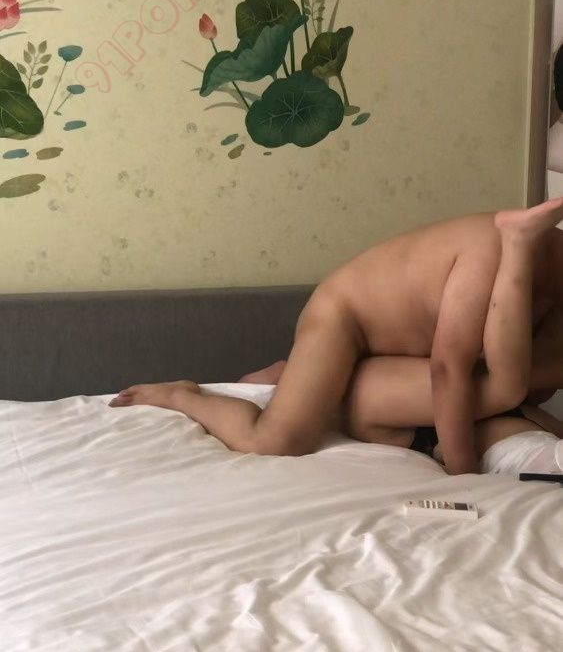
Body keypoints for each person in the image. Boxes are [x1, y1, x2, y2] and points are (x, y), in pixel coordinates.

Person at [109, 198, 563, 474]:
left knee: (510, 383)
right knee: (276, 441)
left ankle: (291, 376)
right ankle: (183, 395)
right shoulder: (494, 251)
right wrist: (462, 473)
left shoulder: (545, 287)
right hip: (345, 320)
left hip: (397, 351)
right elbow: (449, 368)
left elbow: (529, 388)